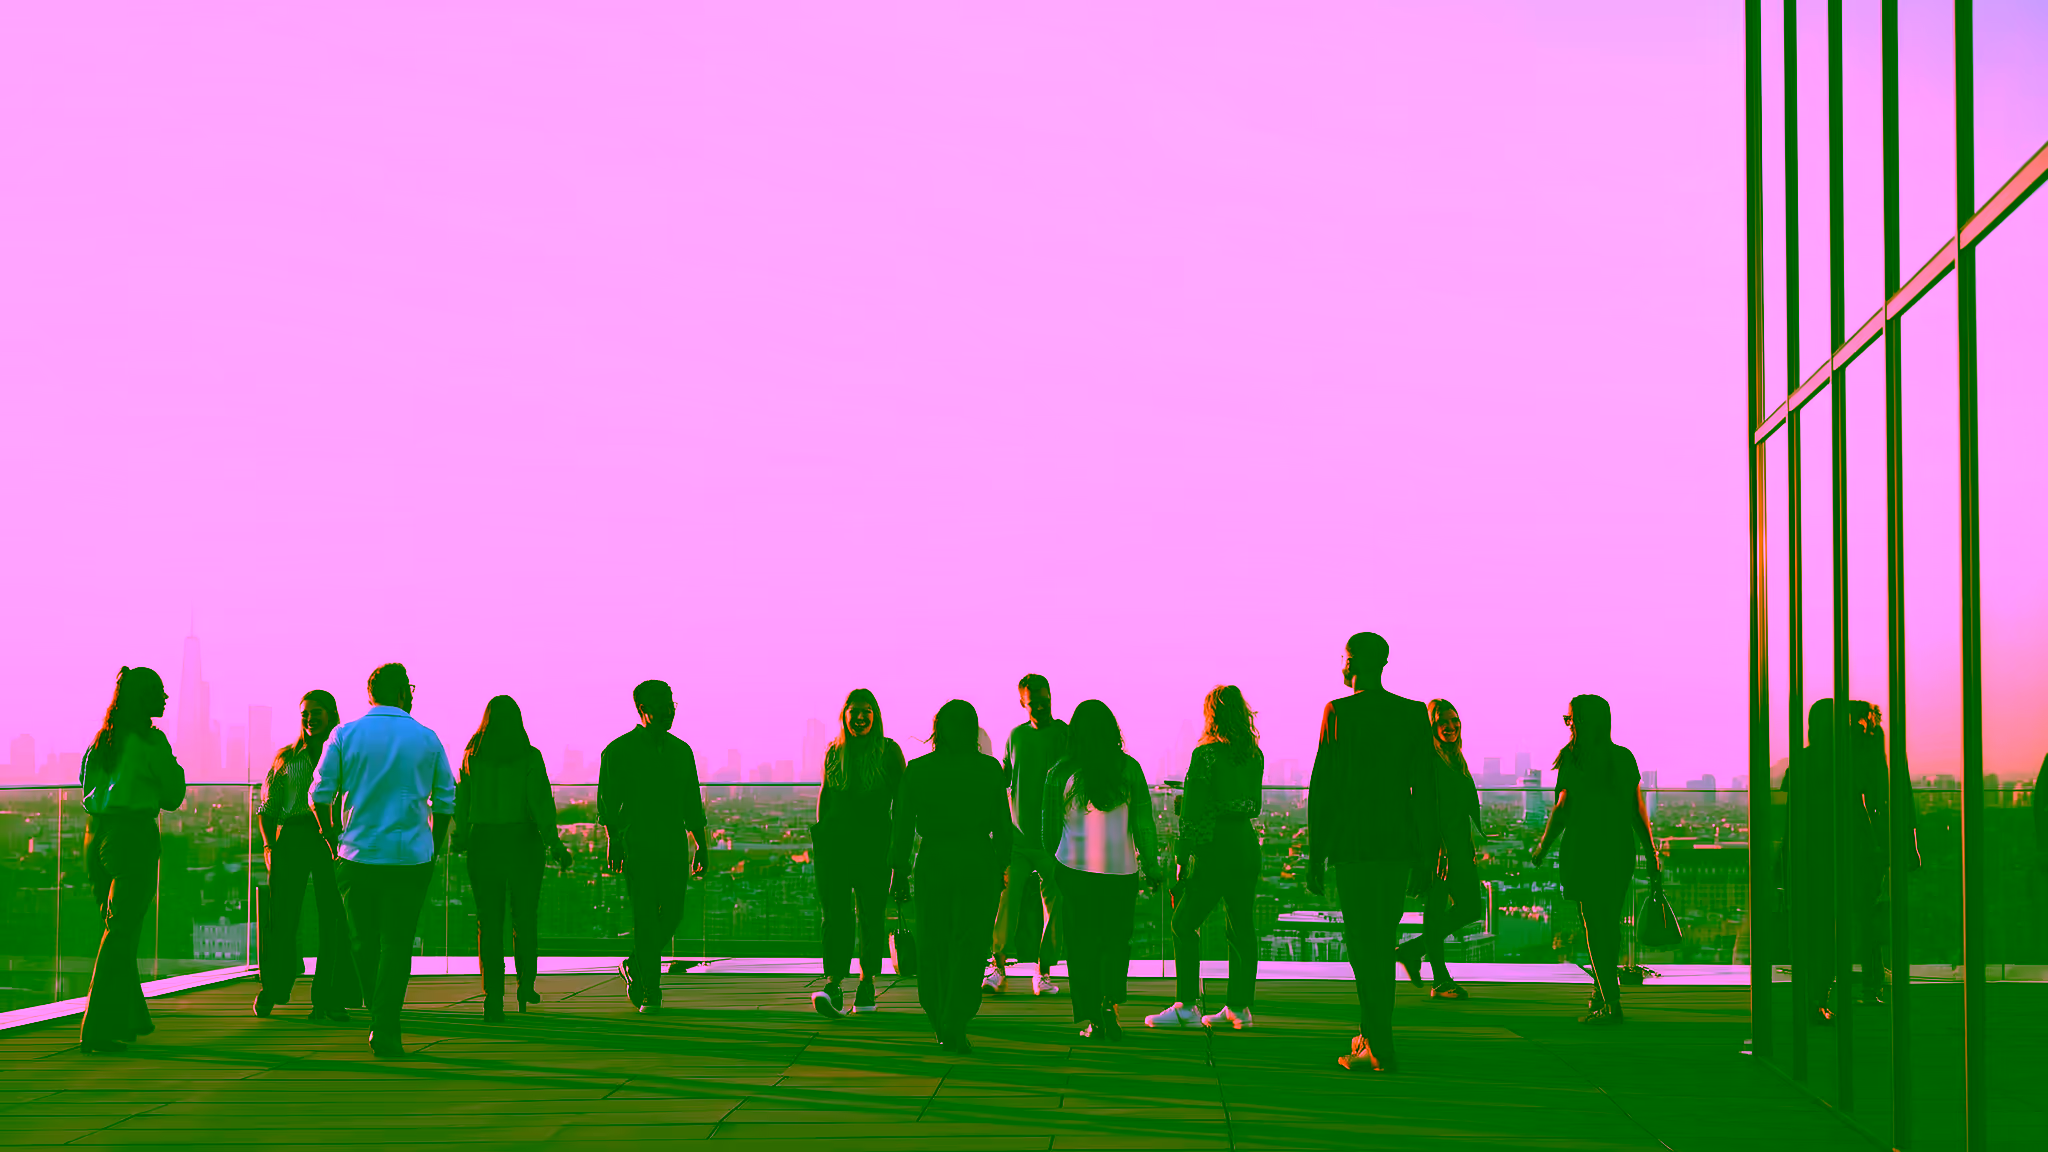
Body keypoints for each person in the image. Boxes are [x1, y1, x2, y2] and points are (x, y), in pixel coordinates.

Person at [1306, 632, 1441, 1073]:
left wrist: (1315, 854)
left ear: (1357, 663)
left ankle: (1378, 1043)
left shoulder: (1339, 712)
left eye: (1344, 659)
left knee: (1363, 947)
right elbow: (1425, 790)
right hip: (1397, 845)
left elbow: (1322, 789)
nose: (1341, 666)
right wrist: (1427, 852)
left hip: (1352, 845)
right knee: (1382, 943)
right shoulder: (1410, 713)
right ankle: (1372, 1034)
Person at [311, 663, 457, 1058]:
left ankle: (378, 1013)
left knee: (363, 941)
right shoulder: (426, 738)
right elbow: (446, 798)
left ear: (370, 691)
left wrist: (330, 835)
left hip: (356, 853)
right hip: (411, 856)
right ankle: (385, 1024)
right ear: (403, 692)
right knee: (397, 943)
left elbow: (319, 793)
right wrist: (435, 842)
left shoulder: (345, 735)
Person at [890, 699, 1012, 1053]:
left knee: (934, 943)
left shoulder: (917, 770)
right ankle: (955, 1019)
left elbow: (901, 831)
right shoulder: (990, 770)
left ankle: (939, 1016)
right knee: (970, 945)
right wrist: (1001, 866)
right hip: (977, 860)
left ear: (937, 728)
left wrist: (898, 871)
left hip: (933, 861)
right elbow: (1003, 828)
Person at [1530, 693, 1660, 1026]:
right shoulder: (1623, 757)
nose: (1568, 724)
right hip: (1617, 849)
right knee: (1610, 926)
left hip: (1583, 849)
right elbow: (1637, 811)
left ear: (1584, 722)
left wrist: (1542, 847)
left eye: (1570, 718)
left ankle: (1610, 1002)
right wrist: (1651, 852)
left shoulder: (1574, 759)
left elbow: (1561, 810)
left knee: (1593, 926)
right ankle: (1603, 992)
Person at [77, 666, 187, 1054]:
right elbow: (174, 796)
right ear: (143, 698)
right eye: (159, 691)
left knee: (117, 929)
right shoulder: (151, 742)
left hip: (97, 836)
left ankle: (132, 1017)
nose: (166, 698)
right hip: (134, 838)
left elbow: (84, 786)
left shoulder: (102, 740)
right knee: (121, 934)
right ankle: (97, 1028)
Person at [1044, 699, 1162, 1042]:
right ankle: (1110, 1004)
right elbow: (1145, 826)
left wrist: (1054, 862)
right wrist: (1152, 867)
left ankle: (1092, 1017)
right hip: (1120, 872)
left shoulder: (1059, 773)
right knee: (1114, 942)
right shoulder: (1129, 769)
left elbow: (1047, 829)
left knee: (1081, 946)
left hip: (1074, 869)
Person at [1148, 685, 1263, 1031]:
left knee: (1183, 923)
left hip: (1214, 848)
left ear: (1211, 714)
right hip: (1245, 843)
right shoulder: (1253, 754)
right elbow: (1254, 806)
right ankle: (1239, 1007)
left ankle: (1187, 1005)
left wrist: (1183, 858)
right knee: (1241, 926)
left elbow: (1191, 816)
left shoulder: (1206, 755)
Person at [456, 695, 572, 1022]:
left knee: (489, 921)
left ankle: (492, 996)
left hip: (483, 840)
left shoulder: (471, 757)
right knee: (524, 917)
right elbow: (540, 804)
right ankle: (525, 985)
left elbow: (461, 804)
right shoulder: (529, 757)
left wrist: (461, 838)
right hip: (522, 840)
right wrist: (556, 845)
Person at [598, 679, 709, 1015]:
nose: (669, 710)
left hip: (673, 843)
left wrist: (700, 845)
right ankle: (651, 991)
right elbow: (607, 804)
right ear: (643, 710)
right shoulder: (618, 751)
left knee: (672, 914)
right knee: (646, 917)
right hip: (639, 844)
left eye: (672, 704)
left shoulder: (681, 751)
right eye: (662, 705)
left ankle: (635, 963)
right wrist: (613, 841)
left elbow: (693, 803)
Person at [254, 690, 361, 1022]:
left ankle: (327, 998)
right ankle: (274, 987)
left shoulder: (346, 755)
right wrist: (270, 846)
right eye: (305, 713)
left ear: (331, 714)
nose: (310, 718)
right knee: (282, 918)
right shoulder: (287, 758)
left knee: (334, 919)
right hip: (294, 836)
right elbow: (267, 809)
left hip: (330, 836)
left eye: (316, 712)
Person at [811, 688, 907, 1017]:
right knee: (835, 917)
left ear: (875, 717)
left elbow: (903, 804)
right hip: (835, 848)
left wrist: (899, 852)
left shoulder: (889, 753)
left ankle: (867, 983)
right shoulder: (832, 752)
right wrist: (820, 836)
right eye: (855, 711)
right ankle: (833, 982)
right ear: (845, 715)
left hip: (874, 848)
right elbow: (825, 795)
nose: (861, 717)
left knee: (869, 917)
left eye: (867, 711)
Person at [1395, 698, 1488, 1001]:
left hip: (1457, 845)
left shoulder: (1454, 756)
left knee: (1471, 907)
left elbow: (1458, 807)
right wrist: (1438, 848)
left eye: (1454, 720)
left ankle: (1413, 950)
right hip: (1436, 848)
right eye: (1442, 722)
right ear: (1431, 726)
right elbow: (1424, 808)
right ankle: (1440, 979)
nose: (1450, 726)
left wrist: (1468, 841)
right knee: (1435, 912)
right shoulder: (1428, 759)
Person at [988, 673, 1068, 997]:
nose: (1038, 704)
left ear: (1051, 695)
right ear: (1023, 702)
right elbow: (1003, 778)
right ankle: (997, 966)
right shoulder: (1015, 736)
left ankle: (1044, 971)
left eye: (1043, 697)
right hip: (1018, 838)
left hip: (1056, 839)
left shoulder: (1065, 735)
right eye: (1032, 700)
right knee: (1007, 900)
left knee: (1056, 905)